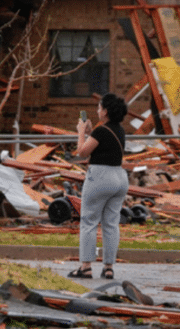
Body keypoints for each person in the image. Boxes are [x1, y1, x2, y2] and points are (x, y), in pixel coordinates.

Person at [69, 92, 129, 279]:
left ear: (105, 112)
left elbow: (81, 152)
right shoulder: (119, 130)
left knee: (89, 221)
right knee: (111, 224)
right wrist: (88, 134)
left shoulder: (101, 130)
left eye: (99, 108)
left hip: (100, 177)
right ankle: (108, 267)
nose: (97, 110)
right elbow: (101, 145)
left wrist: (80, 132)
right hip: (119, 177)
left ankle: (86, 266)